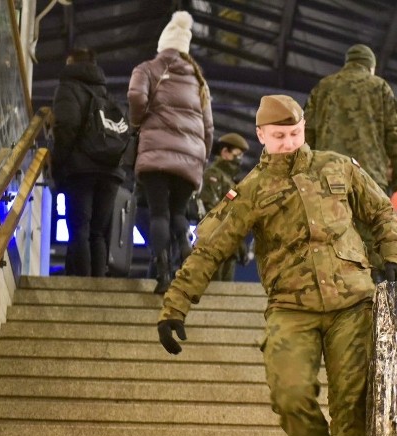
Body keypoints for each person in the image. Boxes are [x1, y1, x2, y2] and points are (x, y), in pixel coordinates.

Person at [156, 95, 397, 436]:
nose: (289, 144)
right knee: (290, 398)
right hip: (292, 306)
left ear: (304, 127)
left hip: (353, 301)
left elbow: (382, 212)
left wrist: (393, 255)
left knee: (351, 403)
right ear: (260, 137)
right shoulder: (250, 189)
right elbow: (210, 249)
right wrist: (175, 305)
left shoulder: (339, 167)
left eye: (294, 134)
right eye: (278, 137)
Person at [128, 11, 214, 294]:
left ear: (162, 44)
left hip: (156, 155)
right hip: (190, 159)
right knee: (178, 213)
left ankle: (164, 274)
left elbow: (135, 96)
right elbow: (209, 128)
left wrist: (138, 119)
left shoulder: (147, 68)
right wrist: (199, 159)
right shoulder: (199, 81)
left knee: (158, 214)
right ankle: (187, 252)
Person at [304, 44, 397, 278]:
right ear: (371, 67)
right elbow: (395, 134)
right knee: (372, 245)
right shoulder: (379, 86)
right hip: (370, 179)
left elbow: (306, 134)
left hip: (327, 179)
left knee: (331, 244)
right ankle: (372, 304)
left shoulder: (323, 87)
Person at [50, 47, 123, 277]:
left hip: (81, 170)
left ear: (70, 62)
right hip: (110, 169)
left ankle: (80, 285)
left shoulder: (68, 88)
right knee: (98, 232)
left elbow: (66, 127)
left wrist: (58, 164)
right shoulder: (105, 94)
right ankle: (98, 286)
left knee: (79, 228)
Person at [200, 132, 251, 281]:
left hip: (230, 247)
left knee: (226, 294)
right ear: (225, 152)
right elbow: (213, 210)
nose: (239, 160)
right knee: (213, 292)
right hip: (215, 244)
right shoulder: (213, 175)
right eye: (237, 155)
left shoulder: (232, 182)